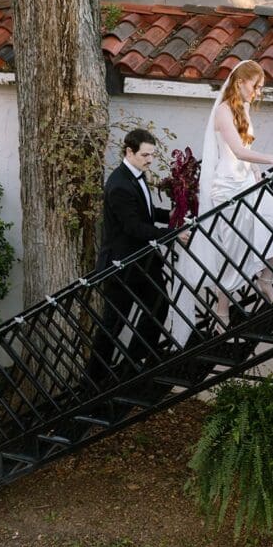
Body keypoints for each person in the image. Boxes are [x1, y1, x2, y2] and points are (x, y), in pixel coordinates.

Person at [171, 61, 273, 343]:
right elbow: (237, 151)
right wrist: (272, 158)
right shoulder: (223, 111)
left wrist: (257, 172)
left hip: (246, 184)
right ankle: (222, 311)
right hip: (226, 189)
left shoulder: (244, 109)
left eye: (261, 88)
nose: (258, 92)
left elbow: (246, 150)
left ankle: (265, 280)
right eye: (255, 86)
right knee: (235, 249)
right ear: (240, 82)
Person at [87, 128, 173, 384]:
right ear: (129, 152)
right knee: (113, 324)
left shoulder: (136, 176)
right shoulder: (119, 185)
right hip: (122, 265)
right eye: (145, 155)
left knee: (158, 306)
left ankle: (135, 361)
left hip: (142, 262)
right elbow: (133, 226)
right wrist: (172, 233)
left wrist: (174, 215)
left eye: (152, 155)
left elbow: (146, 212)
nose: (149, 160)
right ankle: (94, 379)